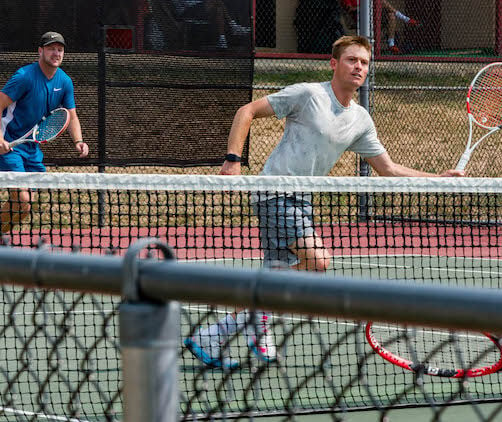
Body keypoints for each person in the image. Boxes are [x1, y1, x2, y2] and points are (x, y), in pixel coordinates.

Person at [184, 35, 464, 369]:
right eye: (351, 60)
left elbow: (388, 169)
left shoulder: (360, 120)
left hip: (303, 199)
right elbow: (247, 111)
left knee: (275, 278)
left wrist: (439, 178)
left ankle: (214, 335)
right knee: (317, 262)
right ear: (334, 64)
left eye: (363, 62)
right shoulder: (308, 94)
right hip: (274, 191)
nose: (358, 67)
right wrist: (233, 159)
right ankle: (253, 318)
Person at [0, 32, 89, 234]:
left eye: (60, 49)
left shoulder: (65, 81)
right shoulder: (24, 77)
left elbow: (72, 116)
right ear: (40, 51)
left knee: (24, 207)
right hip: (9, 147)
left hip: (32, 150)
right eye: (51, 48)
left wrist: (79, 141)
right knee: (22, 200)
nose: (56, 53)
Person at [339, 0, 419, 54]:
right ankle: (405, 18)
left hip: (372, 15)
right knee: (381, 1)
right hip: (360, 17)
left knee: (390, 15)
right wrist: (365, 7)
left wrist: (370, 6)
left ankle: (391, 44)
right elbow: (350, 9)